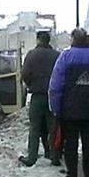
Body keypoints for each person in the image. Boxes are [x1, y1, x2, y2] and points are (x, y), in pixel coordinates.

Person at [49, 28, 89, 177]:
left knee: (71, 146)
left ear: (73, 40)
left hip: (69, 111)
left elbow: (56, 85)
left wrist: (56, 107)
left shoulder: (65, 57)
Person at [18, 31, 60, 167]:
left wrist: (31, 84)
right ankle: (54, 156)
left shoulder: (31, 55)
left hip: (37, 96)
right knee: (53, 127)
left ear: (38, 40)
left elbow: (24, 74)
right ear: (49, 41)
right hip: (52, 97)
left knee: (35, 127)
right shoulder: (57, 56)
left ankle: (32, 157)